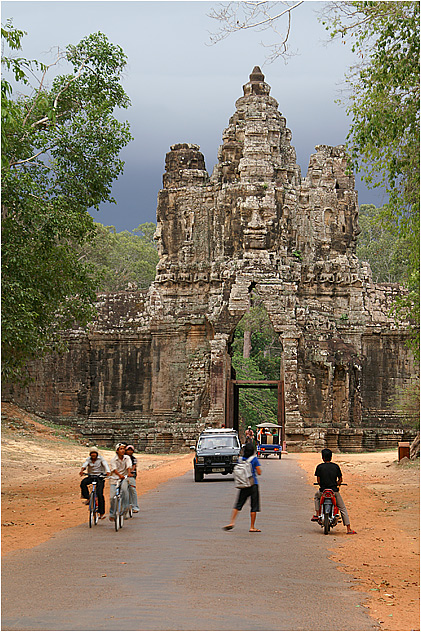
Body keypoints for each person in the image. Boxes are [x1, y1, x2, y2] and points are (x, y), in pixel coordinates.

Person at [311, 448, 356, 534]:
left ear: (323, 458)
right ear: (331, 457)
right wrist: (337, 485)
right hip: (334, 491)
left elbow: (318, 480)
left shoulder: (319, 467)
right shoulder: (336, 466)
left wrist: (322, 486)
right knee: (342, 508)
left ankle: (317, 514)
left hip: (323, 491)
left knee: (317, 497)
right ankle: (348, 528)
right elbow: (340, 479)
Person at [223, 441, 262, 533]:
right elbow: (259, 472)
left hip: (243, 485)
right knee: (254, 506)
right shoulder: (254, 459)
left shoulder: (240, 459)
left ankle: (232, 522)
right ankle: (252, 526)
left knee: (238, 504)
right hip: (253, 484)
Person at [79, 447, 110, 519]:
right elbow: (85, 465)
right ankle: (88, 498)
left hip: (100, 477)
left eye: (94, 453)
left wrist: (108, 472)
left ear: (96, 454)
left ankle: (101, 513)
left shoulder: (101, 459)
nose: (93, 455)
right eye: (92, 453)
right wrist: (82, 470)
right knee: (83, 483)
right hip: (91, 476)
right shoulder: (88, 459)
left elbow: (105, 465)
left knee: (100, 494)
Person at [109, 442, 132, 521]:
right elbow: (114, 469)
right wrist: (119, 475)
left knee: (125, 491)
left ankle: (125, 509)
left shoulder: (127, 458)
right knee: (112, 497)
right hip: (114, 479)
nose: (122, 451)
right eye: (121, 449)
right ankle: (112, 513)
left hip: (124, 478)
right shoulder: (113, 460)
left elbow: (129, 466)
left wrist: (128, 473)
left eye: (123, 449)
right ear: (117, 451)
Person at [125, 444, 140, 513]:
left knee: (132, 489)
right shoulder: (122, 458)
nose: (130, 452)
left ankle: (135, 506)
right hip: (123, 475)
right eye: (128, 450)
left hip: (131, 475)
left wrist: (129, 472)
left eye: (131, 450)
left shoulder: (133, 459)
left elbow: (133, 467)